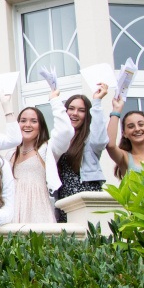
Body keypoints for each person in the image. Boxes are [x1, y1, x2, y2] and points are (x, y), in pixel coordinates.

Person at [50, 84, 109, 222]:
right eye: (71, 108)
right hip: (64, 199)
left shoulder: (90, 139)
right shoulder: (57, 138)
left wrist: (97, 102)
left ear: (87, 114)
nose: (75, 113)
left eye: (81, 110)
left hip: (86, 197)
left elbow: (101, 139)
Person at [9, 107, 59, 223]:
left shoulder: (46, 150)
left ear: (40, 126)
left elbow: (65, 132)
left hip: (38, 208)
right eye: (23, 120)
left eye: (33, 121)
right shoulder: (10, 153)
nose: (27, 125)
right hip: (14, 209)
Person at [106, 99, 144, 179]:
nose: (137, 129)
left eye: (141, 124)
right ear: (124, 133)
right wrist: (116, 110)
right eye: (131, 126)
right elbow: (110, 145)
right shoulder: (125, 157)